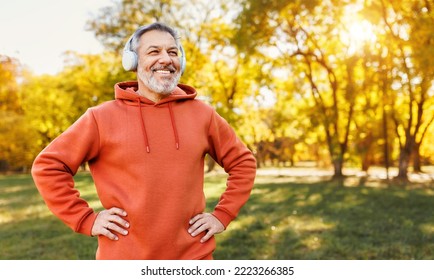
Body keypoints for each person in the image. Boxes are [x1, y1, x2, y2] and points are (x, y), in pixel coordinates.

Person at [31, 22, 257, 260]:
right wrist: (85, 218)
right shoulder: (100, 117)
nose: (166, 59)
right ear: (132, 61)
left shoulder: (204, 114)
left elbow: (243, 162)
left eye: (173, 52)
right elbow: (48, 166)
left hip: (194, 259)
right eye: (153, 51)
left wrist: (223, 215)